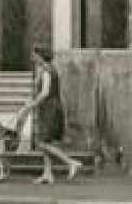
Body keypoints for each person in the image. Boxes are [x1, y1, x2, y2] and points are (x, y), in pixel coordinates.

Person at [13, 45, 81, 184]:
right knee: (45, 140)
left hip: (50, 108)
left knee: (41, 142)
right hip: (46, 108)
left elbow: (45, 93)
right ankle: (47, 173)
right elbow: (38, 89)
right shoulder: (44, 69)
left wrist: (31, 105)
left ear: (40, 55)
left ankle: (70, 162)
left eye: (34, 55)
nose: (32, 57)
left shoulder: (47, 71)